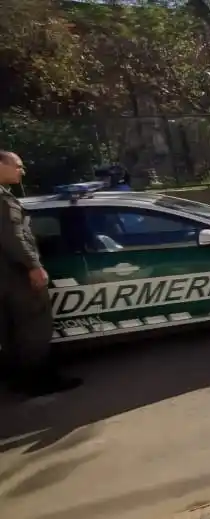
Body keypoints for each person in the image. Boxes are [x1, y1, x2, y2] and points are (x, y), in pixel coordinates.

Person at [0, 151, 82, 397]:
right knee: (34, 328)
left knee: (11, 331)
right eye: (18, 166)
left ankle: (19, 380)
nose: (22, 171)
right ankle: (39, 382)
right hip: (15, 275)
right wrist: (34, 265)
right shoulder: (3, 200)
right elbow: (14, 237)